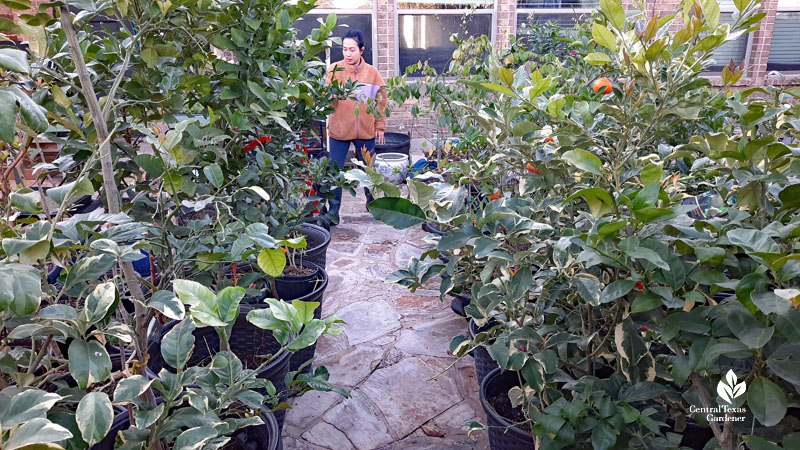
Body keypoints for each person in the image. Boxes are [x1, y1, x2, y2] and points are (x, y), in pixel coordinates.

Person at [324, 29, 387, 225]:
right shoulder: (334, 70)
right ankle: (333, 212)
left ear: (362, 50)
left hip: (365, 132)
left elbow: (381, 100)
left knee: (369, 171)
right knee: (335, 172)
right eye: (344, 49)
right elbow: (326, 101)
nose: (348, 54)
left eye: (352, 49)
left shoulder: (372, 73)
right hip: (339, 131)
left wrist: (380, 125)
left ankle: (373, 204)